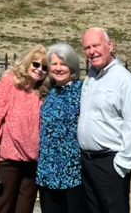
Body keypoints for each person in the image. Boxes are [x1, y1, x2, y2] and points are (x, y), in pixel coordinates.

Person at [77, 28, 131, 213]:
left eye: (96, 45)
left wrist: (121, 165)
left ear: (110, 45)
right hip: (87, 163)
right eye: (87, 47)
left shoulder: (124, 80)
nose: (92, 51)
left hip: (110, 164)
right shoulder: (91, 76)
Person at [0, 44, 49, 213]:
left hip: (32, 164)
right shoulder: (9, 84)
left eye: (45, 67)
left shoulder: (43, 92)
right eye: (36, 64)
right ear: (28, 62)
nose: (39, 69)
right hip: (8, 161)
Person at [36, 43, 86, 213]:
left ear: (71, 66)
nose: (58, 68)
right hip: (47, 167)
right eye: (54, 63)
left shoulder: (82, 91)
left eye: (63, 64)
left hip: (72, 168)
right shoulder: (48, 90)